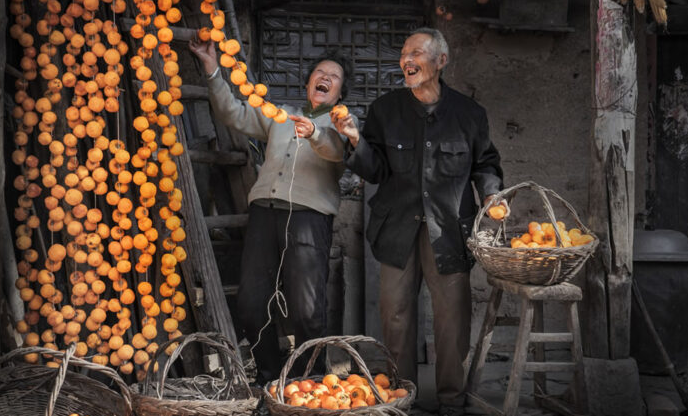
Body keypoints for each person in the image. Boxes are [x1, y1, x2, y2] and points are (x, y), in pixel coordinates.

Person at [332, 28, 507, 415]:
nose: (406, 60)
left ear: (441, 61)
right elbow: (374, 170)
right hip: (397, 229)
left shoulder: (469, 114)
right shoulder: (385, 110)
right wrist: (355, 141)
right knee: (395, 316)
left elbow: (485, 164)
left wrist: (492, 195)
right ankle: (401, 397)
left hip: (449, 231)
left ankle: (451, 401)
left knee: (452, 319)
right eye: (404, 53)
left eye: (417, 53)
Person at [189, 38, 355, 384]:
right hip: (264, 212)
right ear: (309, 82)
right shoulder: (281, 116)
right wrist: (212, 69)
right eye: (319, 73)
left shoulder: (343, 126)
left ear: (339, 92)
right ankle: (268, 378)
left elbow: (335, 152)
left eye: (333, 76)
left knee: (307, 311)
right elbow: (232, 113)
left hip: (309, 218)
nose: (324, 77)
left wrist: (313, 132)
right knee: (251, 303)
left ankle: (309, 383)